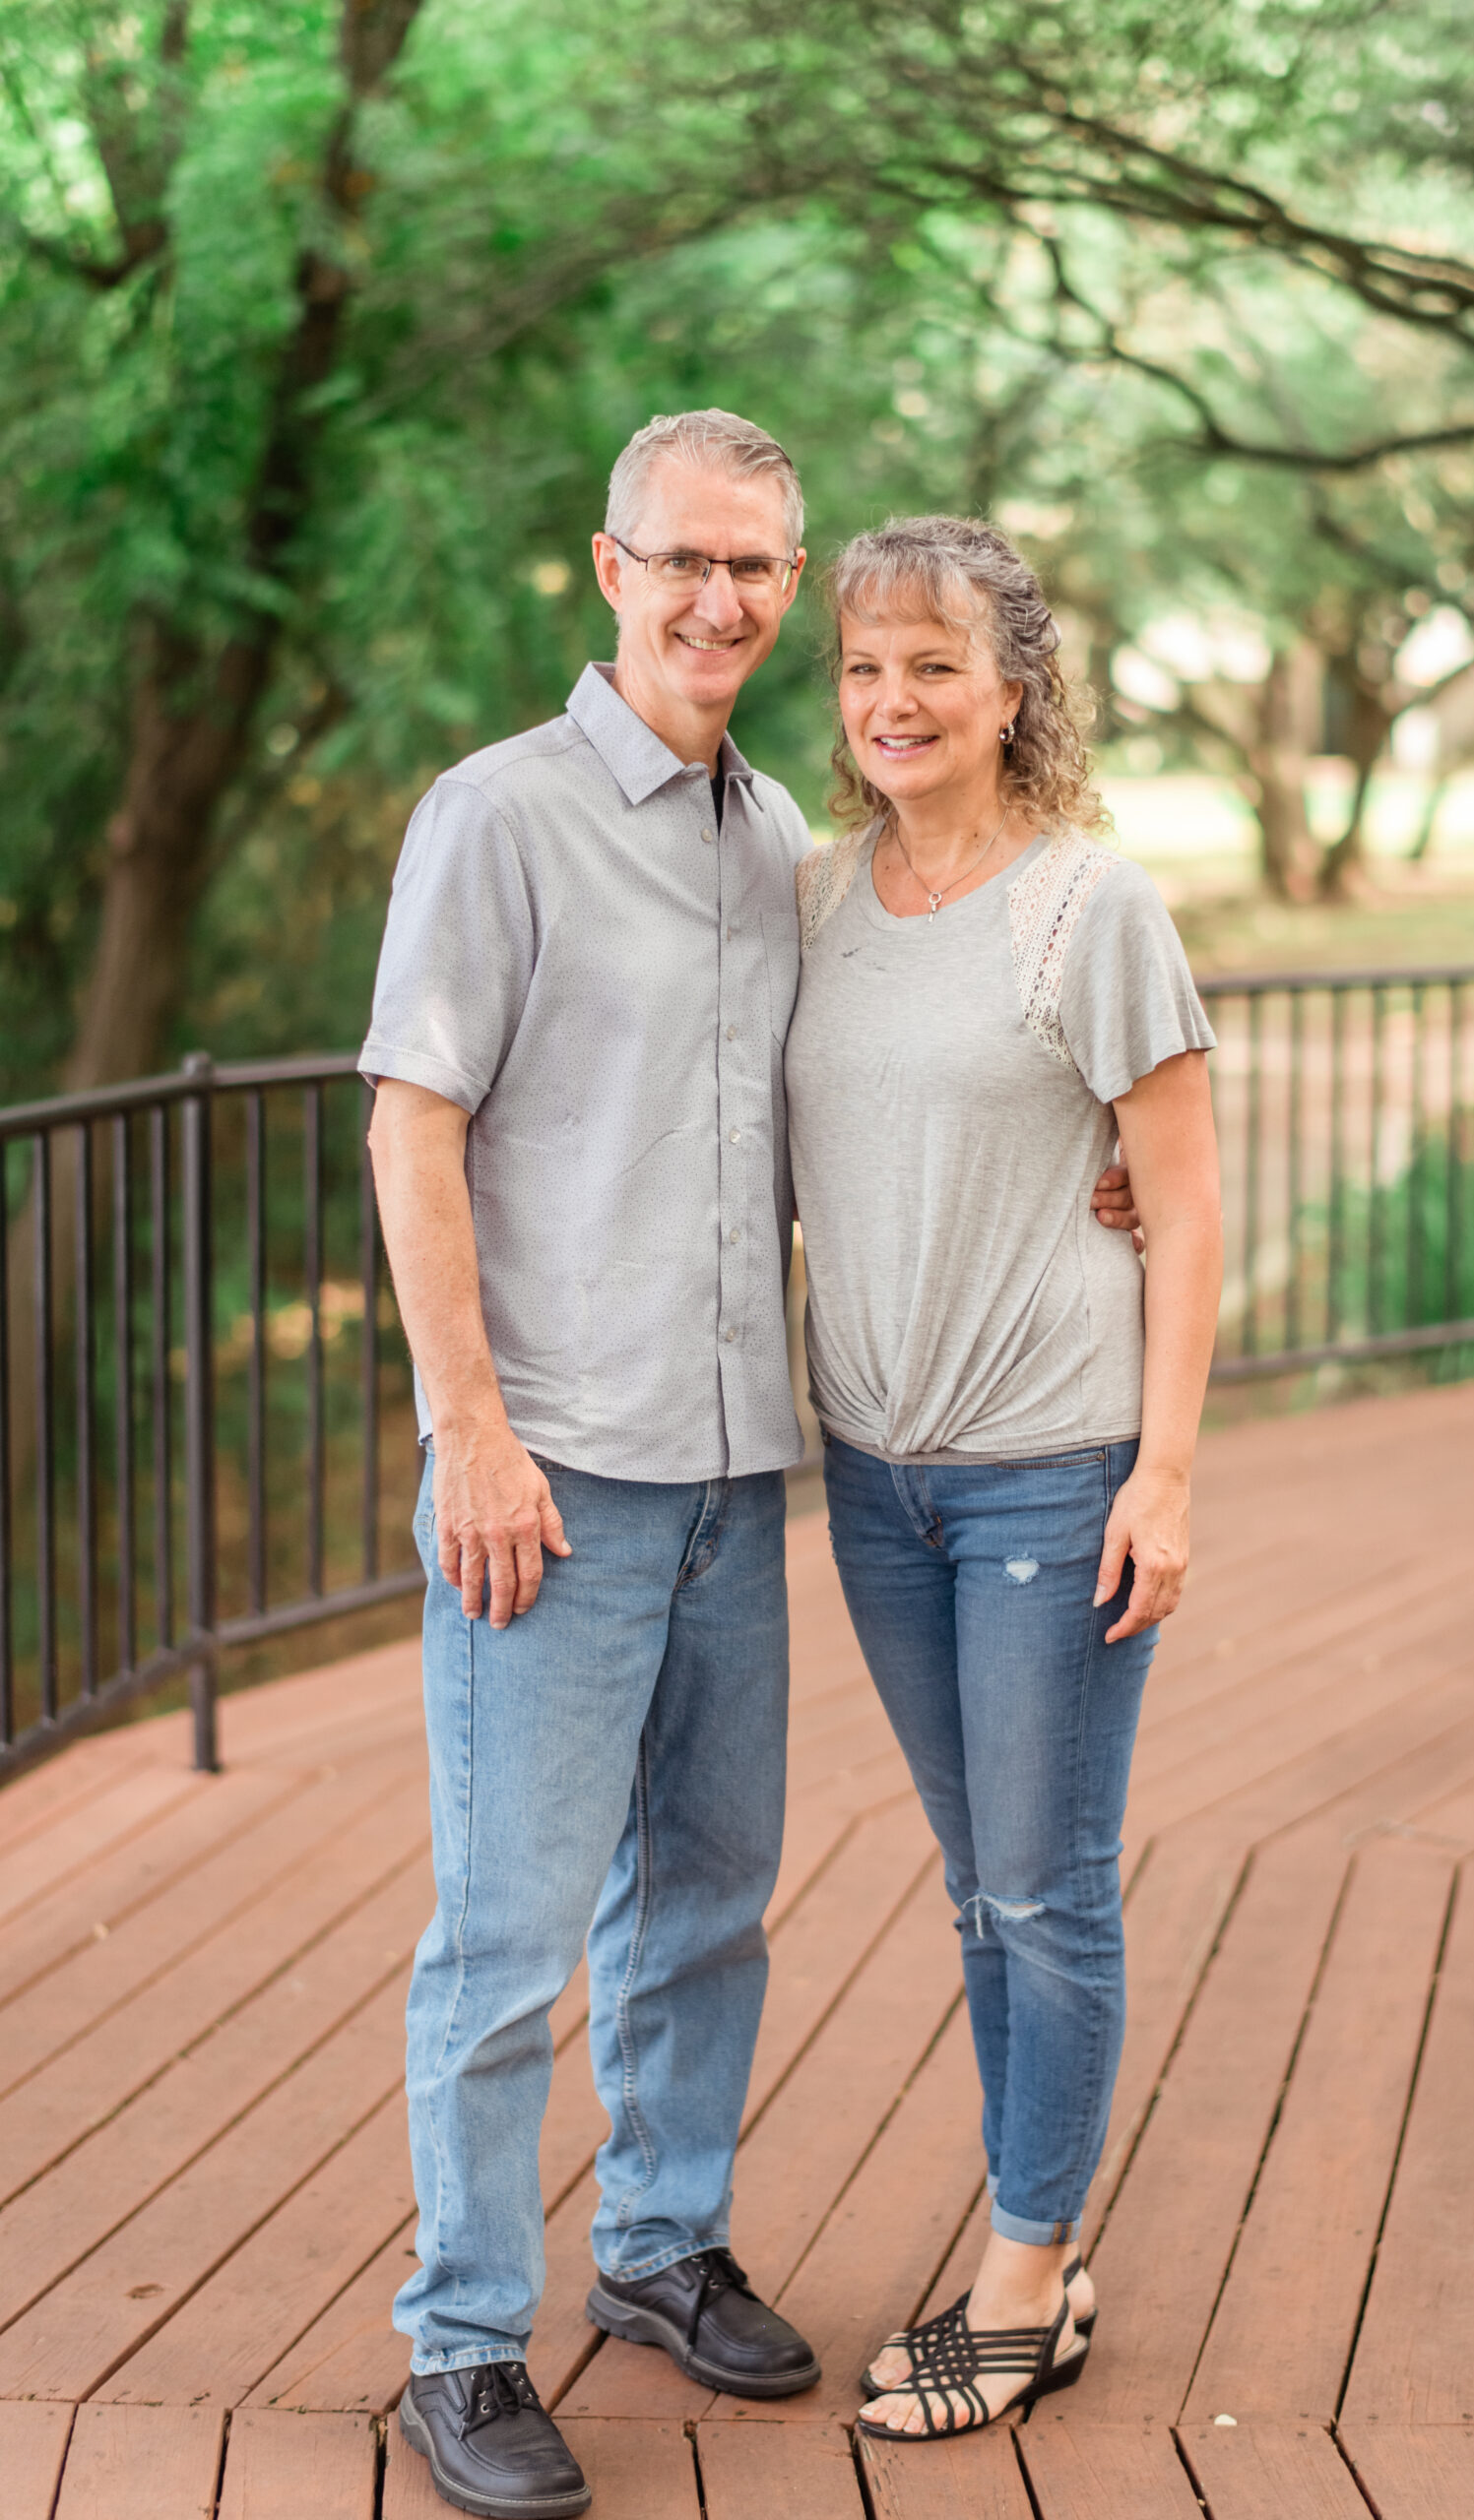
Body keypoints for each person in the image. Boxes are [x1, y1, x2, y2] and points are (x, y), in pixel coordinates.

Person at [362, 410, 825, 2520]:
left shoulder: (774, 828)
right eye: (683, 558)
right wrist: (468, 1422)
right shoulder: (500, 817)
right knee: (507, 1931)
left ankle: (655, 2241)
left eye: (755, 566)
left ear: (784, 590)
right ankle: (463, 2336)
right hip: (553, 1477)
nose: (717, 596)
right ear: (607, 565)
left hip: (742, 1469)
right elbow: (411, 1120)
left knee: (709, 1902)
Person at [784, 515, 1224, 2441]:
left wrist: (1171, 1472)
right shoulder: (805, 899)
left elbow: (1187, 1200)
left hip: (1054, 1469)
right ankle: (1046, 2227)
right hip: (873, 1478)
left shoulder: (1086, 906)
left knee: (1040, 1891)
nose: (893, 700)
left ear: (1010, 687)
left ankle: (1023, 2275)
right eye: (864, 668)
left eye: (932, 666)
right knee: (980, 1879)